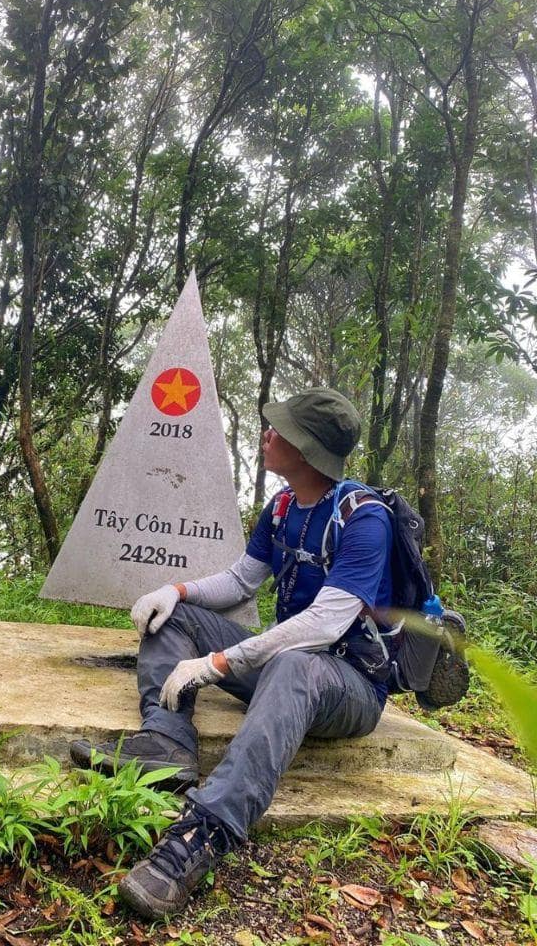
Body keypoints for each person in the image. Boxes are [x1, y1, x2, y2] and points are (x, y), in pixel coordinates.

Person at [70, 387, 395, 920]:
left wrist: (220, 663)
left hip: (350, 687)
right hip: (287, 670)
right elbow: (242, 579)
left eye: (281, 430)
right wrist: (177, 591)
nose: (269, 433)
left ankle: (203, 835)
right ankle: (166, 744)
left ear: (309, 450)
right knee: (174, 617)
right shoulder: (285, 504)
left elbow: (327, 623)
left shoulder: (365, 518)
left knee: (295, 663)